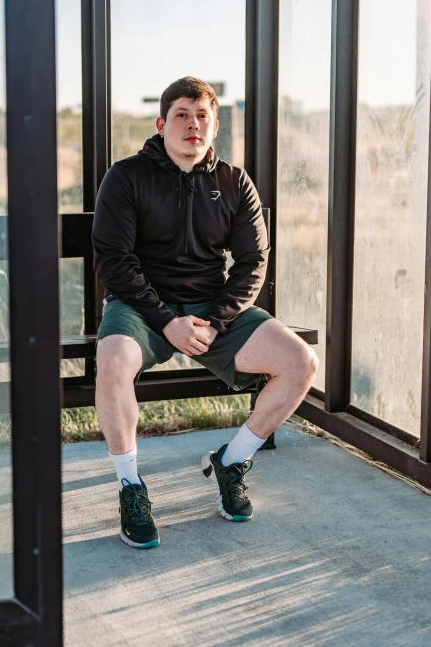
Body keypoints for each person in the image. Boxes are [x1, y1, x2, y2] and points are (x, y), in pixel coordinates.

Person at [92, 77, 318, 549]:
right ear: (161, 124)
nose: (193, 125)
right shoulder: (126, 176)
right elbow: (114, 261)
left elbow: (253, 263)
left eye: (202, 117)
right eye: (182, 115)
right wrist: (167, 322)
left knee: (301, 363)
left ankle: (231, 461)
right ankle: (130, 485)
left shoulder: (234, 182)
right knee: (112, 362)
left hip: (212, 309)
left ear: (215, 127)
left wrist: (215, 321)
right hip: (140, 307)